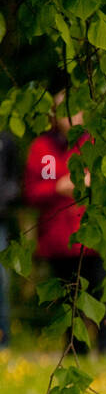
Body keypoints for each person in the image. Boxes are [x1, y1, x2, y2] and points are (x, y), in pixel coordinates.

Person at [25, 90, 106, 354]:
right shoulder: (43, 150)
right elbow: (33, 190)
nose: (70, 116)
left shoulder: (93, 146)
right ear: (55, 116)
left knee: (104, 296)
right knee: (70, 301)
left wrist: (93, 184)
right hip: (59, 240)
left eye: (74, 110)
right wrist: (57, 187)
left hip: (94, 239)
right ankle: (76, 353)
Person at [0, 131, 21, 349]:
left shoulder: (6, 140)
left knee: (1, 280)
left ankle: (3, 341)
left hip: (0, 219)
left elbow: (14, 182)